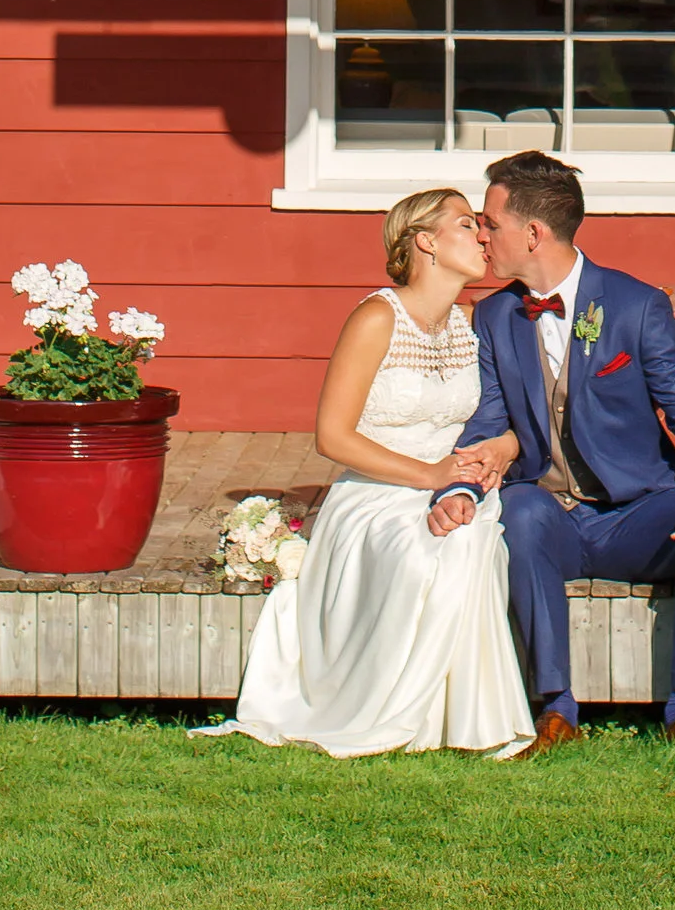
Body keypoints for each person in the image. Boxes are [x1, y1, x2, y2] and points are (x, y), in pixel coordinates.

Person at [429, 149, 675, 763]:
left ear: (533, 233)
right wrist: (462, 490)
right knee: (519, 512)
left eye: (488, 222)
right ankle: (554, 708)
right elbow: (490, 422)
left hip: (639, 512)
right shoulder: (494, 317)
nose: (480, 233)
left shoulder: (636, 306)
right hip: (548, 511)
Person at [206, 186, 530, 756]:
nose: (482, 235)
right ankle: (390, 713)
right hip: (376, 493)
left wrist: (501, 446)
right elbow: (332, 437)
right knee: (422, 549)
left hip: (457, 485)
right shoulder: (377, 318)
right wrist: (427, 477)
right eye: (465, 224)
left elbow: (508, 413)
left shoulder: (474, 321)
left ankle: (460, 721)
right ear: (425, 242)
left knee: (473, 538)